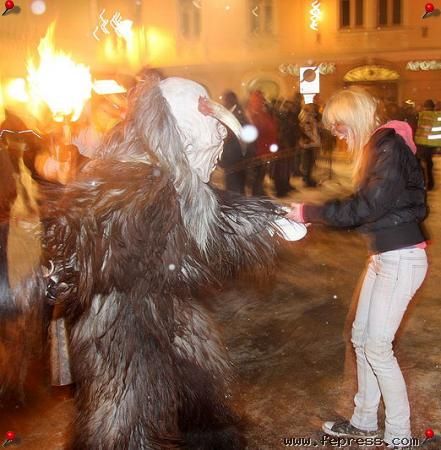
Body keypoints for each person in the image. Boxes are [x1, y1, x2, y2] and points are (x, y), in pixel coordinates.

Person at [287, 87, 428, 450]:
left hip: (401, 257)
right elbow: (367, 207)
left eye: (339, 125)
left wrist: (309, 212)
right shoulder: (376, 148)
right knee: (361, 337)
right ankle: (364, 421)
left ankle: (400, 434)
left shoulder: (389, 145)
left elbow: (366, 207)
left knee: (378, 346)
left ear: (356, 117)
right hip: (384, 256)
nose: (336, 133)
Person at [414, 99, 439, 191]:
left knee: (419, 163)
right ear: (433, 107)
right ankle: (430, 184)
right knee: (429, 163)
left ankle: (423, 181)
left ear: (425, 106)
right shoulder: (437, 116)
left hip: (421, 142)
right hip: (432, 144)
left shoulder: (421, 115)